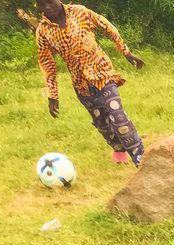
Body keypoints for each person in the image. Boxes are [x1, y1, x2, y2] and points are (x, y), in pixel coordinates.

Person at [35, 0, 146, 166]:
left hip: (103, 74)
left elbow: (106, 27)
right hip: (82, 85)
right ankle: (118, 147)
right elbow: (47, 64)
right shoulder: (43, 31)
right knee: (103, 125)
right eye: (41, 4)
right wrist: (52, 95)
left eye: (50, 2)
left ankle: (141, 160)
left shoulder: (79, 12)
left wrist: (126, 52)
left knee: (118, 117)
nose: (47, 7)